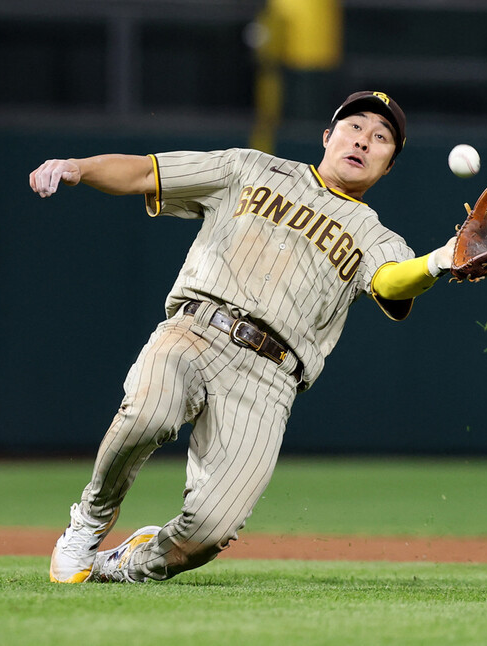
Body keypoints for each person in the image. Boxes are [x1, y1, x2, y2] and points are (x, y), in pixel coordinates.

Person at [29, 91, 456, 583]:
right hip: (197, 328)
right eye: (354, 126)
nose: (364, 140)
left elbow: (391, 280)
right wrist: (77, 167)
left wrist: (438, 261)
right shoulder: (248, 169)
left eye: (381, 138)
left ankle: (127, 565)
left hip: (270, 380)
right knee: (148, 412)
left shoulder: (374, 236)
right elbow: (148, 172)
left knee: (211, 530)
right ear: (327, 136)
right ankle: (89, 522)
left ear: (388, 166)